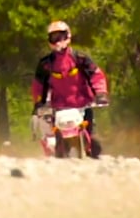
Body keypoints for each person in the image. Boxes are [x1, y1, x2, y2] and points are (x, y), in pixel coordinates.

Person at [32, 21, 110, 158]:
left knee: (95, 144)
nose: (57, 41)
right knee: (57, 147)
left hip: (83, 106)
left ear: (68, 36)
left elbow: (96, 75)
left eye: (60, 36)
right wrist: (39, 103)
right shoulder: (45, 64)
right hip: (58, 109)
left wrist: (101, 93)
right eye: (53, 37)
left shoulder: (80, 58)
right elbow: (38, 86)